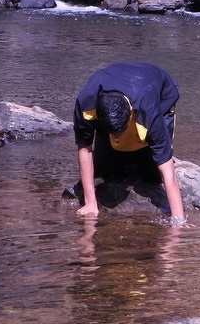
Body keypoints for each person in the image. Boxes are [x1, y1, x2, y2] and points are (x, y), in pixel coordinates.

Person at [73, 62, 186, 224]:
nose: (117, 137)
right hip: (117, 92)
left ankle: (138, 154)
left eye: (121, 131)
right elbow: (84, 147)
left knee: (152, 177)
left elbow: (167, 171)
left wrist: (178, 221)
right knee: (104, 172)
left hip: (158, 94)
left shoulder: (149, 112)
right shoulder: (86, 101)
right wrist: (91, 203)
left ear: (131, 112)